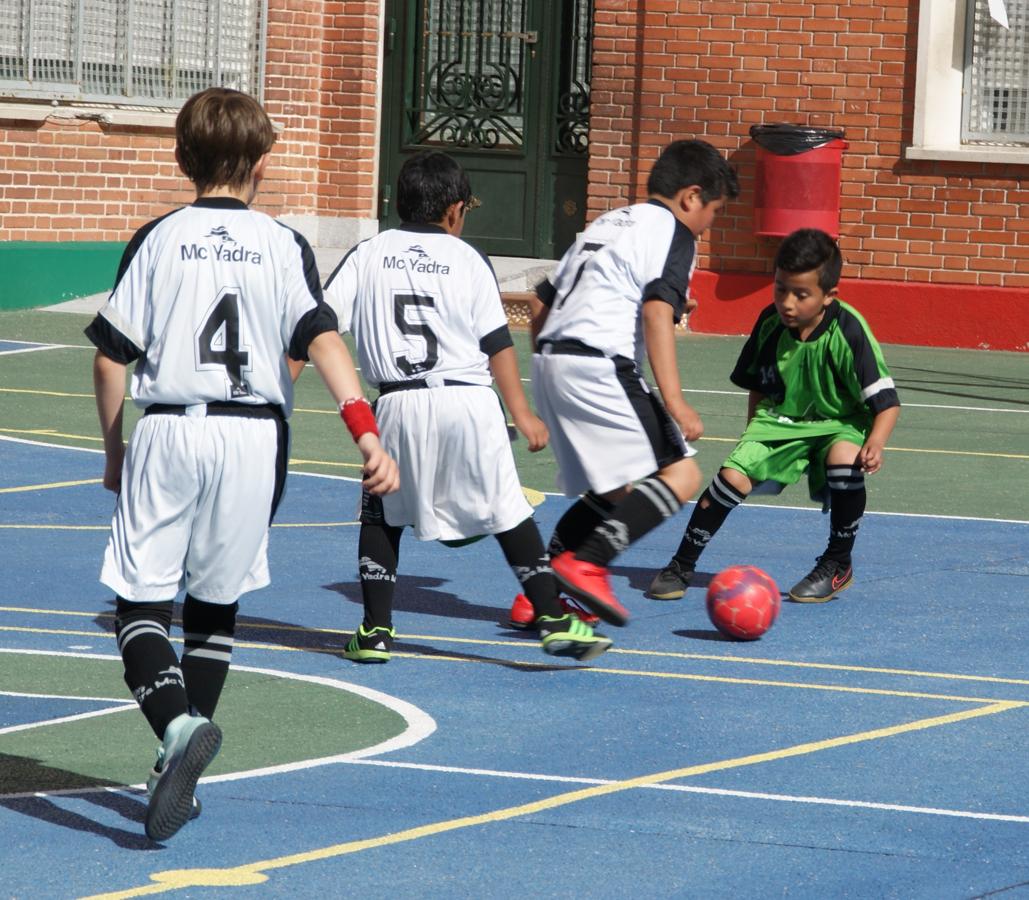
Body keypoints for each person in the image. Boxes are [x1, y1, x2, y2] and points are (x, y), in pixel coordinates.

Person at [85, 87, 398, 842]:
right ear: (262, 162)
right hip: (256, 437)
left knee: (138, 602)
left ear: (180, 158)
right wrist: (364, 432)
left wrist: (114, 446)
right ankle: (183, 758)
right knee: (217, 605)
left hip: (174, 426)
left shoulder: (159, 238)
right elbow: (322, 338)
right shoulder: (282, 243)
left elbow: (110, 354)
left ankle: (175, 727)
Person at [323, 149, 612, 665]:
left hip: (397, 402)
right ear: (455, 210)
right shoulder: (468, 258)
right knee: (507, 509)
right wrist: (522, 413)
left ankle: (375, 630)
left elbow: (320, 324)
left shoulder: (369, 252)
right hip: (469, 401)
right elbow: (498, 342)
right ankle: (550, 615)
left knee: (380, 512)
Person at [526, 139, 739, 627]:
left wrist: (549, 369)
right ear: (690, 197)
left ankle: (539, 593)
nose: (709, 225)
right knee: (681, 477)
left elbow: (541, 301)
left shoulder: (610, 221)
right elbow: (657, 310)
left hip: (551, 361)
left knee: (615, 487)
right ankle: (587, 564)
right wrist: (676, 401)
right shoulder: (675, 233)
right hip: (600, 363)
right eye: (714, 212)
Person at [647, 228, 900, 603]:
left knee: (844, 461)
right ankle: (681, 564)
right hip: (780, 420)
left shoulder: (849, 331)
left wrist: (875, 442)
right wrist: (753, 434)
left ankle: (837, 562)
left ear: (829, 295)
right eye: (781, 289)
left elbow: (887, 402)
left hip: (840, 423)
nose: (788, 302)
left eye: (801, 294)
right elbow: (759, 386)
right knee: (731, 476)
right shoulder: (770, 324)